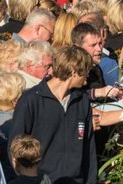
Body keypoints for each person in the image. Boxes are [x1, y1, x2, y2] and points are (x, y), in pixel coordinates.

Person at [11, 46, 97, 184]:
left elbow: (89, 149)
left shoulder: (82, 101)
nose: (87, 77)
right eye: (86, 71)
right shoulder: (31, 100)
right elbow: (15, 147)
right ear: (74, 72)